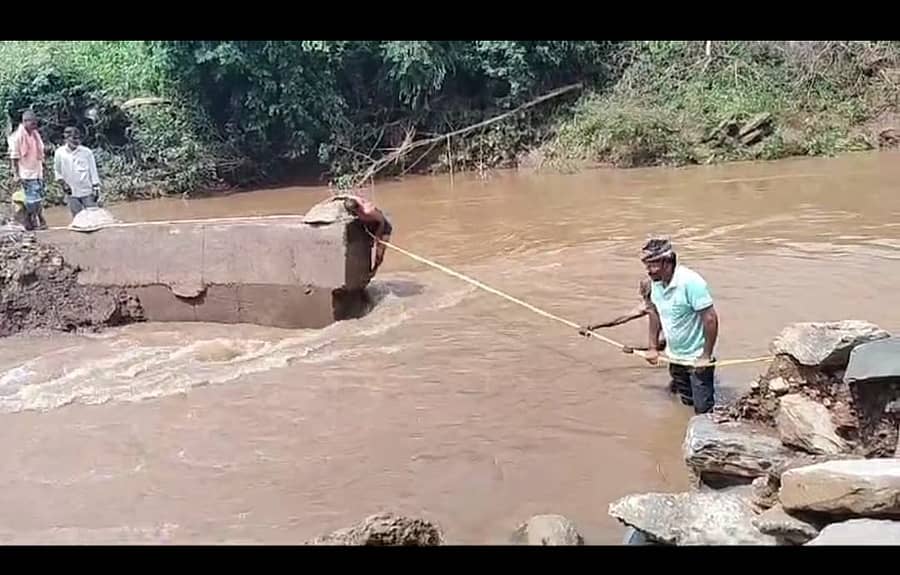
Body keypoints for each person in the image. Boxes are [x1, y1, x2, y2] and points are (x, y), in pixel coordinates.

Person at [641, 237, 719, 414]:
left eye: (652, 265)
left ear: (667, 262)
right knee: (686, 401)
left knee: (703, 411)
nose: (648, 271)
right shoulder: (654, 284)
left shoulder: (691, 282)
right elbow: (654, 314)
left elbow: (710, 319)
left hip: (697, 358)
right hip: (675, 357)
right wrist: (652, 347)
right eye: (646, 265)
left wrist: (705, 356)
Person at [7, 110, 47, 230]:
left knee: (38, 198)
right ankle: (32, 219)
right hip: (26, 173)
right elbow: (14, 157)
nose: (35, 125)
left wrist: (44, 167)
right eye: (32, 123)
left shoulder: (35, 134)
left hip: (37, 171)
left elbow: (40, 152)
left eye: (35, 123)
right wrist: (16, 174)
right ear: (25, 122)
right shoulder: (18, 137)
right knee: (32, 200)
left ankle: (35, 219)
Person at [53, 126, 101, 218]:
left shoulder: (87, 152)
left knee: (93, 216)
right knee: (77, 218)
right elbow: (57, 171)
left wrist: (96, 188)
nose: (76, 141)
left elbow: (93, 170)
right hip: (71, 192)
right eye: (73, 138)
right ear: (66, 139)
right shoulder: (60, 153)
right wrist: (63, 184)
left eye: (78, 138)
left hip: (87, 191)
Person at [341, 194, 393, 274]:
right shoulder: (354, 199)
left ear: (357, 209)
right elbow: (345, 196)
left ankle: (374, 269)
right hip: (369, 223)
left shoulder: (368, 211)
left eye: (352, 212)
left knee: (379, 253)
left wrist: (377, 236)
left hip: (383, 226)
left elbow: (382, 221)